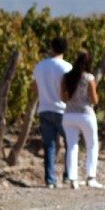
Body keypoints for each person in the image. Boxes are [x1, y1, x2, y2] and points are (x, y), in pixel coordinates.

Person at [31, 36, 71, 188]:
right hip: (62, 110)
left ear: (51, 48)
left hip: (44, 108)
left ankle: (50, 180)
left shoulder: (40, 66)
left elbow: (35, 88)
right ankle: (68, 175)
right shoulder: (67, 67)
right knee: (70, 143)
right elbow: (68, 91)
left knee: (49, 146)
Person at [60, 50, 103, 188]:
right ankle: (91, 177)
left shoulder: (66, 77)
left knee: (72, 146)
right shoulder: (88, 78)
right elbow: (94, 100)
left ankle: (72, 178)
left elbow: (63, 98)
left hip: (68, 115)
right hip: (85, 114)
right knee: (92, 146)